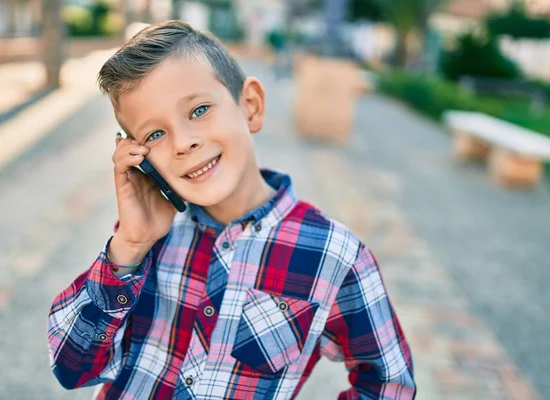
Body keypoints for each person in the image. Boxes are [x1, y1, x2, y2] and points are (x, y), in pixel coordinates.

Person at [47, 20, 416, 400]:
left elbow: (388, 385)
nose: (183, 143)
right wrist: (129, 245)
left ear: (250, 106)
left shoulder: (335, 255)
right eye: (155, 134)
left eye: (199, 109)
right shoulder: (143, 243)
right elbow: (71, 369)